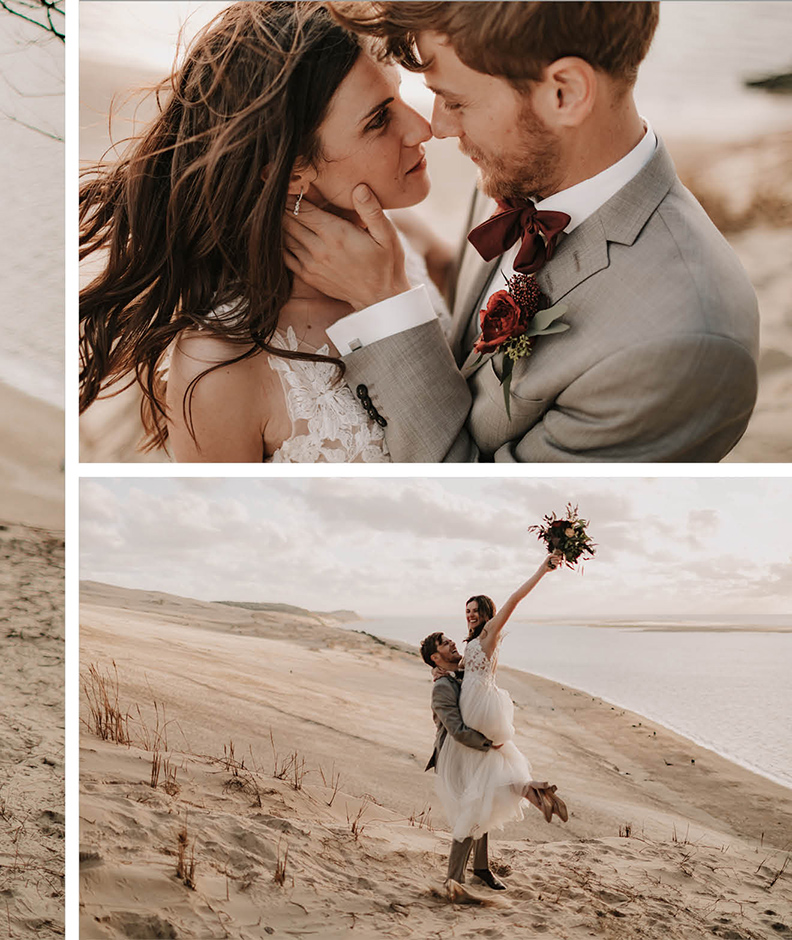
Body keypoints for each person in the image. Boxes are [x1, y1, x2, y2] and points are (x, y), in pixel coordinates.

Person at [285, 1, 759, 461]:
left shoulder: (681, 347)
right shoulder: (522, 166)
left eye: (454, 100)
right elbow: (468, 327)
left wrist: (385, 305)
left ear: (565, 93)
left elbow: (486, 516)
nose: (439, 126)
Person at [79, 2, 457, 462]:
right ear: (293, 171)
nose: (422, 128)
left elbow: (447, 268)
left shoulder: (399, 234)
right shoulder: (220, 368)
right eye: (378, 120)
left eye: (399, 95)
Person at [419, 554, 569, 900]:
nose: (470, 615)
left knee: (480, 795)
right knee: (486, 788)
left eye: (475, 610)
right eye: (467, 611)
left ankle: (463, 874)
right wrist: (441, 673)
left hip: (481, 712)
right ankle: (534, 792)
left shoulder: (487, 634)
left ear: (487, 613)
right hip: (473, 719)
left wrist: (543, 570)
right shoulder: (456, 663)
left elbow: (515, 600)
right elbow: (454, 691)